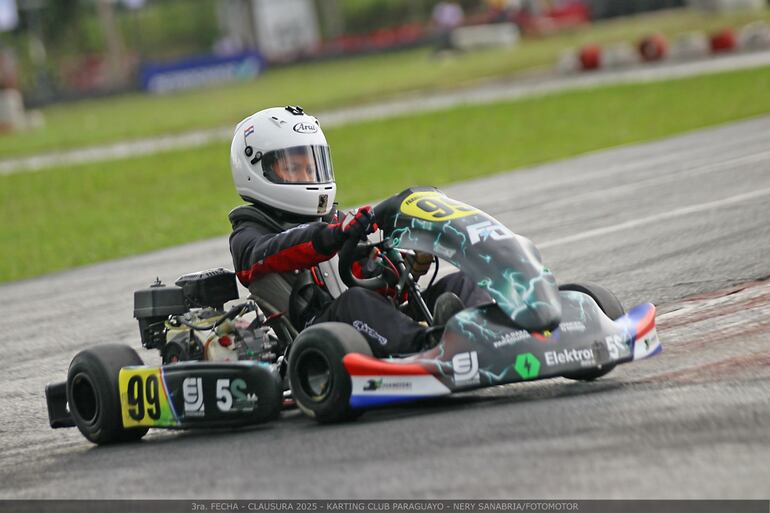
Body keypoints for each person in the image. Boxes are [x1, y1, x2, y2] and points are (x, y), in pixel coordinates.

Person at [228, 106, 489, 357]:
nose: (307, 176)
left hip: (373, 326)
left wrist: (407, 269)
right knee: (356, 301)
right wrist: (331, 236)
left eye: (311, 167)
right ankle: (430, 346)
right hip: (320, 336)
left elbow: (374, 283)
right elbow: (273, 251)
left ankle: (488, 331)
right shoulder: (249, 234)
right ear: (256, 168)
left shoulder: (335, 222)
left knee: (461, 282)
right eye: (293, 168)